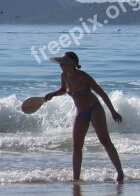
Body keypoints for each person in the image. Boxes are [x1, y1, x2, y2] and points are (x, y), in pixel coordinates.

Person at [44, 51, 124, 183]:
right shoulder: (64, 75)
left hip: (94, 109)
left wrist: (113, 112)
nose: (61, 65)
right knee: (76, 146)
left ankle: (120, 172)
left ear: (72, 64)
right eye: (60, 63)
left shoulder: (84, 77)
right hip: (80, 112)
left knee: (105, 141)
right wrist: (53, 94)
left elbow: (102, 93)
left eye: (63, 63)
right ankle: (76, 178)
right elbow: (64, 89)